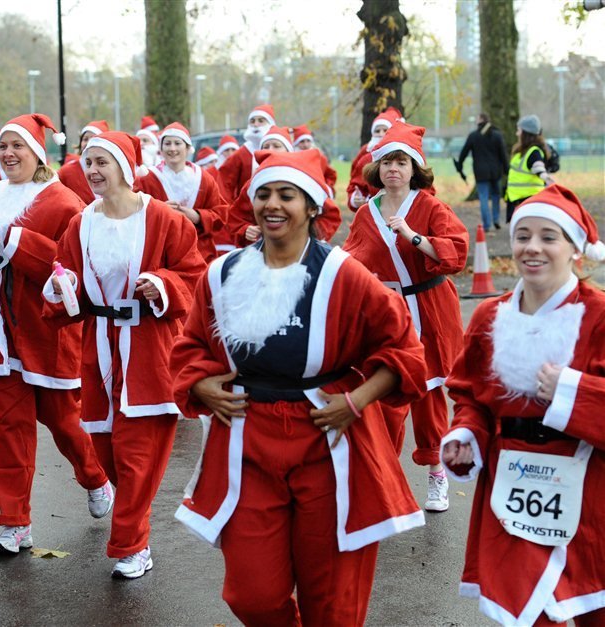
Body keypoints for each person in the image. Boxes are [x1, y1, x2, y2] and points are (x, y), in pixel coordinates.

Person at [170, 149, 428, 625]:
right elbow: (188, 345)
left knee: (332, 601)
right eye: (263, 194)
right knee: (252, 595)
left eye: (287, 195)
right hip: (246, 440)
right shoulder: (222, 274)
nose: (273, 205)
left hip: (329, 443)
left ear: (312, 207)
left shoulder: (344, 274)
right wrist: (202, 383)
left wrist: (357, 400)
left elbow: (403, 349)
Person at [43, 131, 206, 578]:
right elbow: (66, 276)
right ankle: (133, 516)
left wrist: (163, 285)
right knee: (107, 451)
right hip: (98, 348)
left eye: (102, 162)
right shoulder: (81, 223)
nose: (93, 171)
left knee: (137, 455)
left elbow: (195, 277)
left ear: (124, 167)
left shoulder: (165, 221)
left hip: (150, 349)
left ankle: (132, 545)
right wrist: (62, 288)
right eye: (87, 162)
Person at [441, 184, 605, 626]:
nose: (532, 248)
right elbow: (471, 394)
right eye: (523, 236)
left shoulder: (600, 315)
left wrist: (572, 391)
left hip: (591, 492)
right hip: (512, 488)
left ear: (575, 249)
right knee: (531, 614)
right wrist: (466, 436)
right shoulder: (488, 316)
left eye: (548, 237)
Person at [0, 113, 111, 555]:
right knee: (12, 426)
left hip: (47, 332)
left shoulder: (63, 202)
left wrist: (13, 242)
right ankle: (15, 522)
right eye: (3, 146)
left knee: (64, 421)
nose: (8, 154)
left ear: (36, 152)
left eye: (17, 146)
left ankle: (95, 477)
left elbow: (71, 266)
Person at [343, 121, 468, 512]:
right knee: (386, 398)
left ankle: (436, 477)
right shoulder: (367, 213)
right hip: (391, 313)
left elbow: (456, 253)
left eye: (401, 162)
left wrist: (415, 237)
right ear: (376, 168)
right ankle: (383, 479)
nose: (393, 169)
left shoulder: (431, 206)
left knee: (429, 399)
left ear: (415, 168)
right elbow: (353, 258)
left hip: (430, 309)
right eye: (386, 162)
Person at [226, 126, 341, 248]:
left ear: (288, 150)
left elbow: (330, 215)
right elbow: (235, 217)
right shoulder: (253, 183)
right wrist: (245, 229)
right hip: (262, 253)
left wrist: (308, 238)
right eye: (266, 146)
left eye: (276, 146)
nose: (270, 150)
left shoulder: (303, 180)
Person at [134, 122, 227, 263]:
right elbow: (133, 212)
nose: (172, 149)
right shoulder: (148, 179)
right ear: (160, 148)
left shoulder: (204, 179)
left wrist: (197, 216)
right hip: (161, 254)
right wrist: (159, 210)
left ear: (188, 148)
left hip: (200, 254)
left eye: (177, 143)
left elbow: (221, 214)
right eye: (167, 143)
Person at [457, 113, 509, 232]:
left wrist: (459, 165)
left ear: (480, 121)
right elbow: (503, 155)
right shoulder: (497, 135)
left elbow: (464, 153)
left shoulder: (473, 136)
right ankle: (496, 219)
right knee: (496, 196)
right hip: (496, 172)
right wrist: (507, 170)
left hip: (480, 172)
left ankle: (487, 224)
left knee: (484, 198)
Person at [347, 106, 403, 212]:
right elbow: (356, 184)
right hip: (372, 214)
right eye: (377, 131)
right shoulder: (365, 158)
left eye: (385, 130)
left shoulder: (405, 157)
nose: (381, 134)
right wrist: (356, 198)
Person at [216, 104, 276, 202]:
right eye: (252, 121)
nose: (256, 124)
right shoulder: (242, 153)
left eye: (261, 121)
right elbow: (224, 182)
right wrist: (228, 208)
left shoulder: (279, 149)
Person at [505, 114, 554, 224]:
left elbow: (537, 166)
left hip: (529, 200)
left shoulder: (534, 151)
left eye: (519, 130)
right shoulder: (521, 151)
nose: (516, 133)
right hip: (517, 199)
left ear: (525, 133)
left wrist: (545, 177)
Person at [57, 120, 109, 204]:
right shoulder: (66, 172)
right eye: (85, 139)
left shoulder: (112, 169)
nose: (88, 142)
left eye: (93, 138)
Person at [292, 124, 337, 195]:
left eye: (308, 141)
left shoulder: (320, 158)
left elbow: (330, 174)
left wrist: (327, 187)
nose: (306, 145)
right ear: (296, 143)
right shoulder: (291, 158)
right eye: (302, 141)